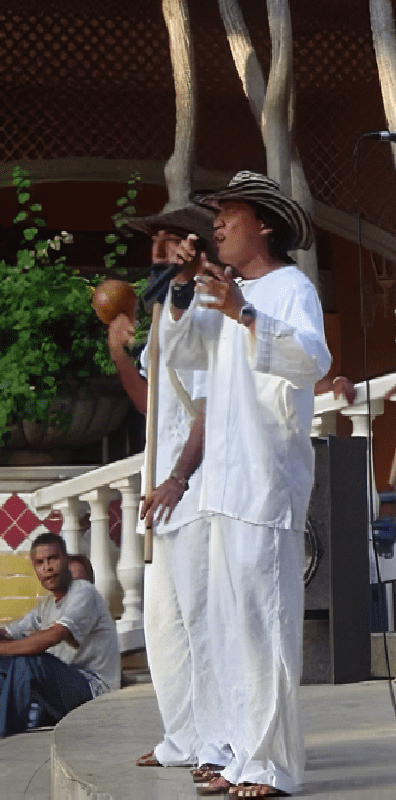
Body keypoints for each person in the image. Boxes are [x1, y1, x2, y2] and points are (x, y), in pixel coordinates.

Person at [165, 171, 329, 799]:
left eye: (227, 215)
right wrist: (184, 289)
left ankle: (273, 765)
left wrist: (247, 312)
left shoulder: (292, 289)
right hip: (224, 487)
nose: (216, 226)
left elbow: (313, 360)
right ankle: (240, 752)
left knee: (266, 625)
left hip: (267, 482)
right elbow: (181, 357)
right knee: (234, 629)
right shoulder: (226, 292)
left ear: (263, 223)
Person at [106, 205, 231, 775]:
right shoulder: (161, 309)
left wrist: (179, 477)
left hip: (195, 489)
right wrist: (118, 355)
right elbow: (151, 406)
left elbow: (206, 409)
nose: (156, 251)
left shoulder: (207, 303)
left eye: (167, 242)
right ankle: (181, 738)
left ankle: (218, 744)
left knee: (204, 625)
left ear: (193, 248)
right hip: (164, 499)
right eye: (152, 243)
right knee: (163, 627)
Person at [0, 533, 119, 737]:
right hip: (64, 685)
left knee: (29, 661)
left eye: (52, 558)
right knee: (7, 662)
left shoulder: (84, 592)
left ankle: (3, 733)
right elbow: (10, 632)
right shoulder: (46, 605)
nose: (47, 567)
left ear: (65, 559)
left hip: (93, 689)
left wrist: (5, 647)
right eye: (40, 562)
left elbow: (53, 636)